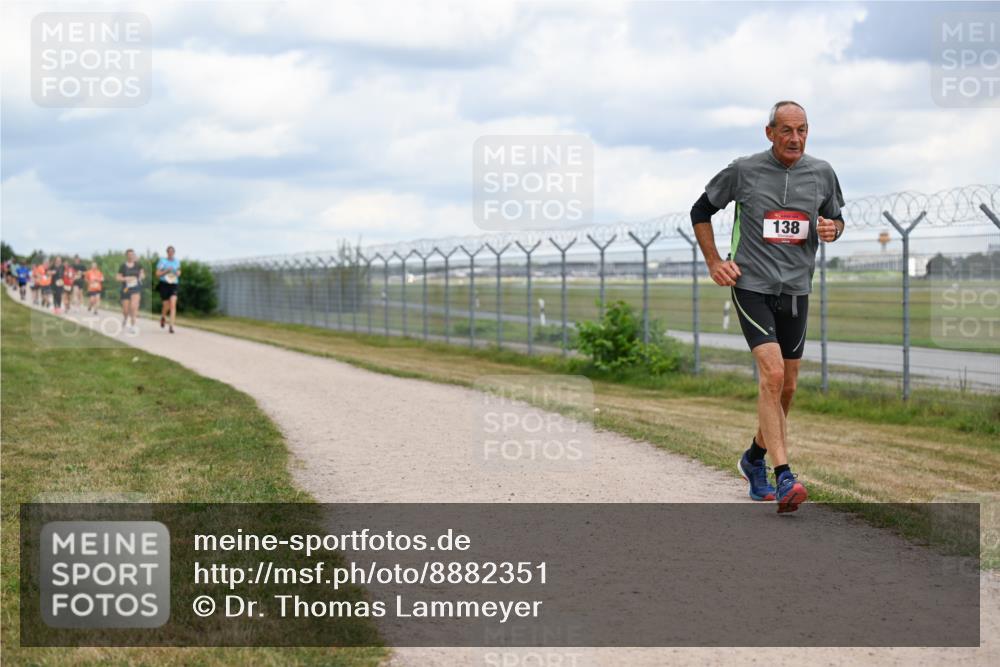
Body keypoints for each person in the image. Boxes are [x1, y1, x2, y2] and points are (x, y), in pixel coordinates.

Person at [690, 100, 845, 514]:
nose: (795, 138)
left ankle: (753, 459)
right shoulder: (745, 170)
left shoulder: (822, 173)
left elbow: (835, 219)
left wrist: (834, 229)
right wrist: (714, 262)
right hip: (751, 285)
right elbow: (700, 210)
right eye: (787, 130)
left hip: (796, 289)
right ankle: (785, 475)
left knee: (787, 386)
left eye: (803, 130)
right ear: (770, 132)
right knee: (772, 374)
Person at [117, 249, 145, 334]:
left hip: (136, 288)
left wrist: (141, 276)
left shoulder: (138, 265)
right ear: (126, 256)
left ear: (134, 255)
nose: (131, 256)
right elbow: (118, 278)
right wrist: (126, 278)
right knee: (125, 310)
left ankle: (133, 326)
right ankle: (125, 318)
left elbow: (142, 274)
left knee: (134, 307)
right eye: (129, 254)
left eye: (132, 254)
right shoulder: (123, 266)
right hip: (125, 289)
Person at [155, 246, 182, 334]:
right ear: (167, 253)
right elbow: (157, 274)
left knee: (173, 304)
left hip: (174, 284)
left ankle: (171, 326)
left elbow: (178, 271)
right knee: (166, 305)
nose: (171, 253)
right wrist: (166, 271)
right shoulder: (162, 261)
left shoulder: (177, 261)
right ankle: (163, 317)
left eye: (172, 252)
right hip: (164, 284)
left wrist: (178, 273)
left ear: (174, 253)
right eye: (169, 252)